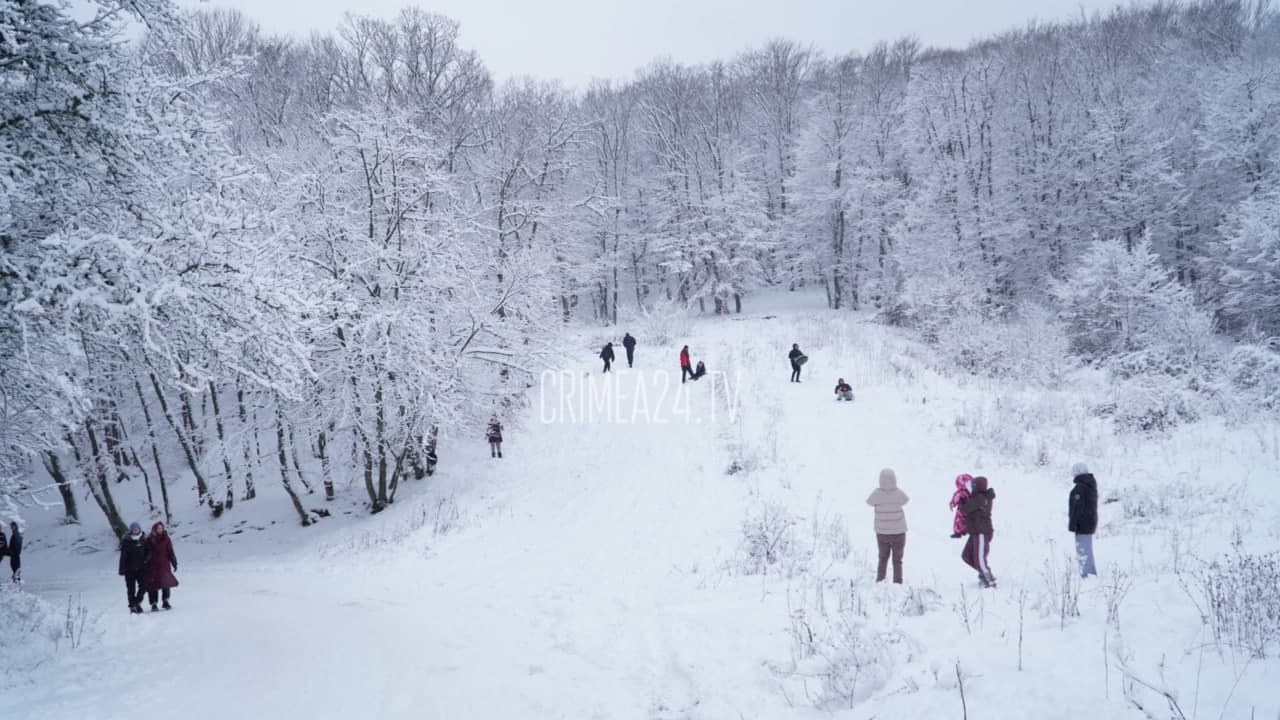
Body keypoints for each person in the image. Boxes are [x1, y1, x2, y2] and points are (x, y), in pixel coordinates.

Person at [866, 467, 909, 584]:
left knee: (883, 558)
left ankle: (880, 581)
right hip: (899, 533)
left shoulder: (876, 494)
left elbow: (868, 502)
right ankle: (898, 583)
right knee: (897, 560)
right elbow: (906, 500)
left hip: (882, 533)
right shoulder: (899, 493)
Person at [958, 476, 997, 588]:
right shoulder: (978, 497)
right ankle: (985, 573)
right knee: (966, 556)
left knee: (980, 560)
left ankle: (989, 582)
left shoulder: (980, 498)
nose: (970, 488)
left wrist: (960, 502)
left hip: (981, 532)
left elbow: (965, 510)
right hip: (976, 531)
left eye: (972, 485)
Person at [1069, 462, 1098, 577]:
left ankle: (1088, 574)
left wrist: (1072, 524)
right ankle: (1089, 571)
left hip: (1082, 524)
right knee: (1087, 549)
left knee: (1083, 550)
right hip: (1090, 522)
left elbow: (1077, 508)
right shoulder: (1090, 485)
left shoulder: (1079, 489)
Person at [144, 522, 179, 611]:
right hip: (152, 565)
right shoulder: (149, 539)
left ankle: (165, 601)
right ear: (154, 529)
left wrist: (174, 562)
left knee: (165, 583)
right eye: (158, 528)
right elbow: (145, 552)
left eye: (161, 528)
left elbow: (170, 551)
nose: (160, 530)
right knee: (153, 585)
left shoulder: (166, 539)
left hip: (164, 564)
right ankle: (153, 603)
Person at [119, 522, 150, 614]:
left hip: (142, 568)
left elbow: (149, 552)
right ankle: (132, 606)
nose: (135, 530)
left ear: (139, 529)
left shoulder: (144, 539)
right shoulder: (126, 541)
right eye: (134, 529)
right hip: (129, 569)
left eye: (137, 529)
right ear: (131, 530)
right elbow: (123, 556)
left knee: (144, 586)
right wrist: (121, 569)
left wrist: (146, 560)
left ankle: (137, 602)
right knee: (131, 589)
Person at [949, 473, 973, 539]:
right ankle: (966, 531)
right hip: (969, 509)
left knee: (959, 520)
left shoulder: (960, 492)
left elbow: (955, 499)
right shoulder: (972, 491)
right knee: (967, 521)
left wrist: (952, 504)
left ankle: (958, 532)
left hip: (961, 509)